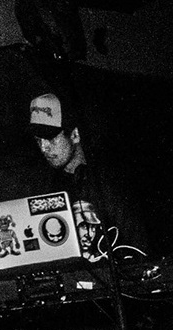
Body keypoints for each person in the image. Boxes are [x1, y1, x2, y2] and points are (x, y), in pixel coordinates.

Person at [27, 92, 148, 256]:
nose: (44, 148)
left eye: (51, 138)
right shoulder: (47, 187)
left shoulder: (108, 181)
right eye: (38, 140)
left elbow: (138, 245)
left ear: (75, 135)